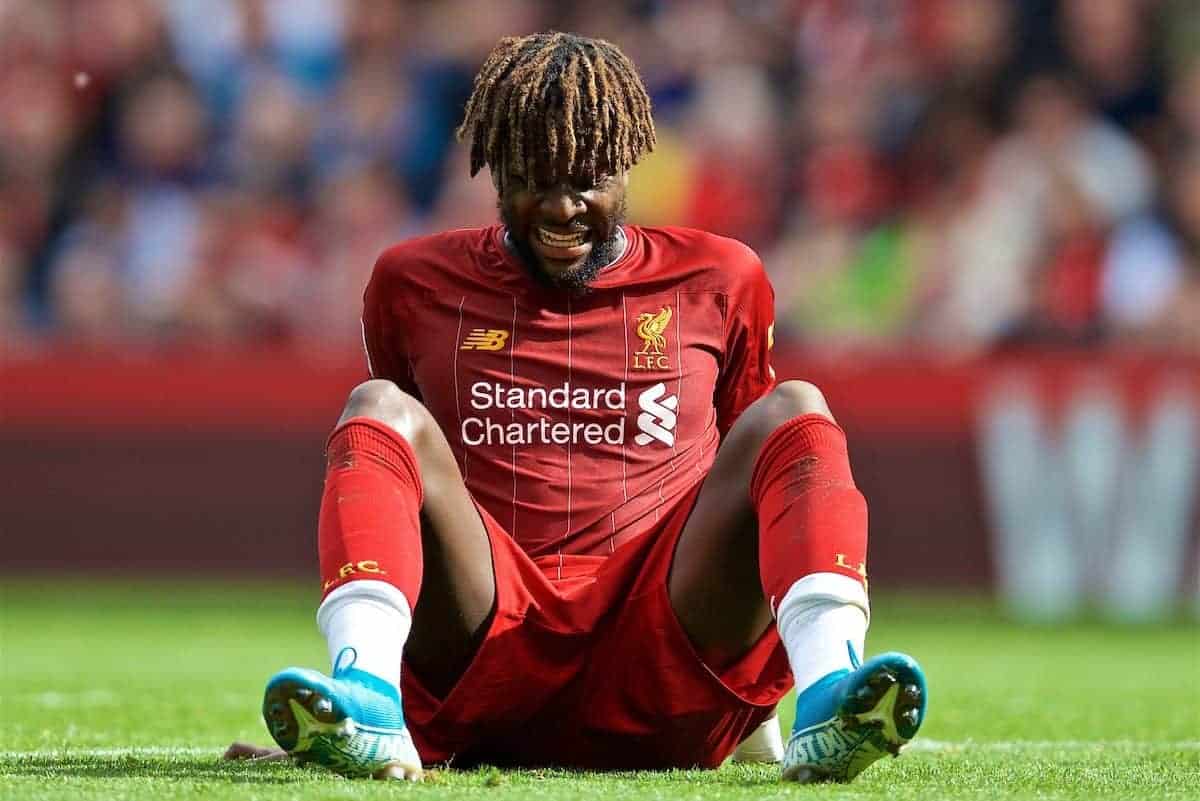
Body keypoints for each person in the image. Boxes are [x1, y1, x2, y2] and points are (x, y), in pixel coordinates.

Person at [238, 32, 926, 783]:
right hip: (487, 651)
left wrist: (755, 712)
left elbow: (752, 480)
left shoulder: (722, 277)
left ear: (629, 167)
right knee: (375, 409)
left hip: (664, 657)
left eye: (588, 180)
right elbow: (396, 487)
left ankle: (830, 692)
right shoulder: (411, 283)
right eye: (535, 179)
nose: (563, 208)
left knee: (795, 407)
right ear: (495, 170)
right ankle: (365, 696)